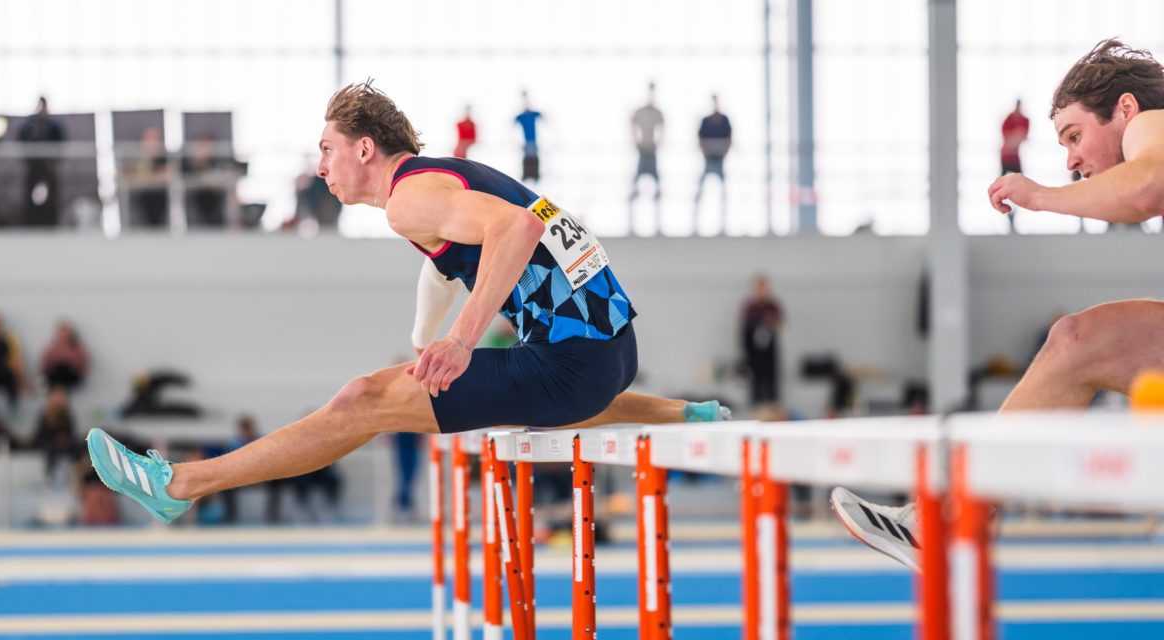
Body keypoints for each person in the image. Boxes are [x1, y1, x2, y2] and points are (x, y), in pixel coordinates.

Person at [86, 81, 732, 524]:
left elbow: (518, 228)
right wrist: (426, 337)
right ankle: (683, 415)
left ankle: (181, 485)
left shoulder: (409, 200)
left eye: (327, 151)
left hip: (574, 367)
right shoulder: (436, 184)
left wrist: (461, 340)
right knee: (475, 379)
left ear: (364, 149)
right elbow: (445, 269)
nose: (320, 167)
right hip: (613, 355)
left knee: (360, 401)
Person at [833, 38, 1164, 573]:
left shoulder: (1151, 122)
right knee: (1077, 341)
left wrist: (1041, 196)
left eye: (1075, 136)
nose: (1071, 161)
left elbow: (1146, 189)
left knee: (1080, 341)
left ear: (1125, 109)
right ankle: (944, 522)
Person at [17, 96, 67, 227]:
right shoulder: (30, 125)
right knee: (30, 193)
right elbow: (21, 139)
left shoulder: (53, 126)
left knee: (52, 194)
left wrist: (54, 158)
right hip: (33, 165)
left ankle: (52, 222)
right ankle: (30, 222)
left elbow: (61, 143)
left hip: (49, 166)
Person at [740, 273, 784, 407]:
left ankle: (772, 406)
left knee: (771, 381)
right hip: (754, 353)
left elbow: (780, 322)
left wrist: (770, 323)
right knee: (756, 383)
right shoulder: (750, 307)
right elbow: (744, 330)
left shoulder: (772, 306)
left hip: (769, 352)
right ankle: (757, 407)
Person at [694, 94, 732, 231]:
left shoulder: (724, 120)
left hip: (719, 158)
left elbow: (729, 138)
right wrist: (706, 152)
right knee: (701, 188)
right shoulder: (705, 121)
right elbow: (700, 139)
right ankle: (695, 222)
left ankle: (724, 223)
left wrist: (723, 151)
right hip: (708, 158)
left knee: (723, 191)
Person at [629, 82, 664, 230]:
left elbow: (661, 130)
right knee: (635, 187)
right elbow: (633, 127)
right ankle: (631, 224)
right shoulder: (640, 112)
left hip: (650, 150)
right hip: (644, 150)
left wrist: (657, 144)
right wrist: (637, 143)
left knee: (657, 187)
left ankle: (658, 224)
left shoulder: (657, 113)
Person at [1000, 99, 1030, 232]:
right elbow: (1009, 140)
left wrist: (1014, 138)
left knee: (1021, 187)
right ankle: (1009, 219)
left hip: (1015, 159)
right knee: (1002, 190)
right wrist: (1016, 136)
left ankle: (1014, 218)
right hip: (1005, 159)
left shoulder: (1024, 120)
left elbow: (1022, 137)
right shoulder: (1008, 119)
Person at [40, 320, 89, 391]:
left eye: (65, 331)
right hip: (54, 375)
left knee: (62, 370)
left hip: (71, 375)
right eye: (61, 331)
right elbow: (45, 365)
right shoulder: (52, 347)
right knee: (58, 371)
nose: (62, 334)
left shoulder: (76, 348)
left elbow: (82, 365)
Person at [515, 90, 543, 183]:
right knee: (527, 158)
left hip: (533, 141)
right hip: (526, 141)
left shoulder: (533, 114)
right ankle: (527, 174)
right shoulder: (521, 116)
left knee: (533, 158)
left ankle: (535, 175)